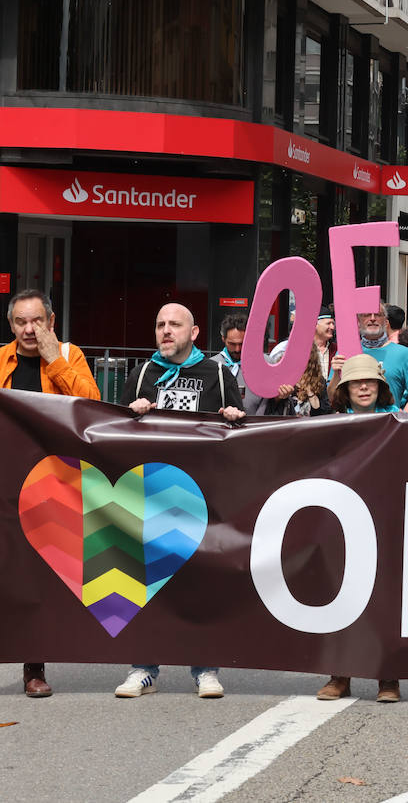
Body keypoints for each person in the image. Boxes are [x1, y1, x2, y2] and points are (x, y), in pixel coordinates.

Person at [117, 303, 243, 700]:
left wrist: (233, 417)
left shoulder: (218, 375)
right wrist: (130, 414)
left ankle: (205, 668)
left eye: (174, 324)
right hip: (150, 493)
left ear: (194, 332)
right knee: (146, 580)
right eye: (159, 325)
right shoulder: (141, 375)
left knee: (200, 580)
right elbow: (115, 432)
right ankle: (143, 668)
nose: (165, 331)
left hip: (201, 494)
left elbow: (238, 432)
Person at [2, 289, 101, 698]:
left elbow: (91, 404)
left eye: (36, 321)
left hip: (51, 482)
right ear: (11, 326)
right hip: (5, 476)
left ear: (51, 322)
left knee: (35, 575)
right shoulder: (1, 359)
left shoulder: (69, 355)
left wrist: (53, 359)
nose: (29, 329)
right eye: (21, 322)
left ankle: (33, 669)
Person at [314, 355, 401, 701]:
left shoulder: (399, 423)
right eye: (355, 382)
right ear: (344, 389)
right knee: (340, 595)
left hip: (386, 520)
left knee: (386, 599)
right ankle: (340, 675)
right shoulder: (329, 426)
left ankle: (388, 677)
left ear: (380, 387)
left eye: (370, 381)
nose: (363, 387)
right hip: (341, 523)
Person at [328, 309, 408, 413]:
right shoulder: (345, 352)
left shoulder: (403, 353)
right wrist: (336, 374)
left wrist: (400, 421)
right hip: (353, 425)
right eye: (367, 314)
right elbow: (332, 398)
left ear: (386, 322)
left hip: (388, 425)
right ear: (358, 322)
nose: (372, 319)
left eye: (377, 314)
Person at [262, 348, 333, 417]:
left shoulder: (318, 381)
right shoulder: (280, 376)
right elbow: (268, 408)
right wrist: (279, 397)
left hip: (308, 427)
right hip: (284, 426)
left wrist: (309, 391)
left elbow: (323, 414)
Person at [209, 313, 248, 399]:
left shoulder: (264, 364)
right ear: (223, 338)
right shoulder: (212, 365)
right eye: (232, 344)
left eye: (242, 344)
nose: (237, 349)